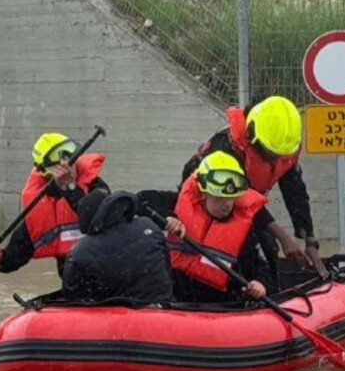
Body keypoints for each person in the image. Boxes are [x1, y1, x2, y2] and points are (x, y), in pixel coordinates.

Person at [181, 95, 327, 277]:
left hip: (242, 206)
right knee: (260, 246)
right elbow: (244, 197)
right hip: (211, 205)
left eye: (279, 154)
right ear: (252, 134)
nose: (275, 158)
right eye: (271, 152)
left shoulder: (283, 147)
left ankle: (266, 286)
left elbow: (295, 193)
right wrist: (283, 237)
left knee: (266, 245)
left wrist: (309, 241)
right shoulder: (227, 148)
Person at [148, 152, 273, 303]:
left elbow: (262, 270)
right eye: (220, 198)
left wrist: (261, 284)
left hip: (215, 304)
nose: (226, 205)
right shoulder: (177, 205)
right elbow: (141, 202)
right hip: (174, 295)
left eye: (231, 198)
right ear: (204, 193)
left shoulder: (244, 233)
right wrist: (168, 217)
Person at [0, 132, 110, 277]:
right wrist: (0, 258)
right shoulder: (40, 205)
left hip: (108, 273)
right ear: (49, 172)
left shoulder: (96, 187)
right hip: (76, 284)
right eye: (62, 166)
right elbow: (16, 254)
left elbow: (100, 219)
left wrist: (70, 188)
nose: (70, 168)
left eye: (72, 160)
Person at [61, 189, 174, 303]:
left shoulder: (82, 250)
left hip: (118, 314)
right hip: (163, 306)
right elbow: (167, 269)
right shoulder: (149, 225)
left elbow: (73, 298)